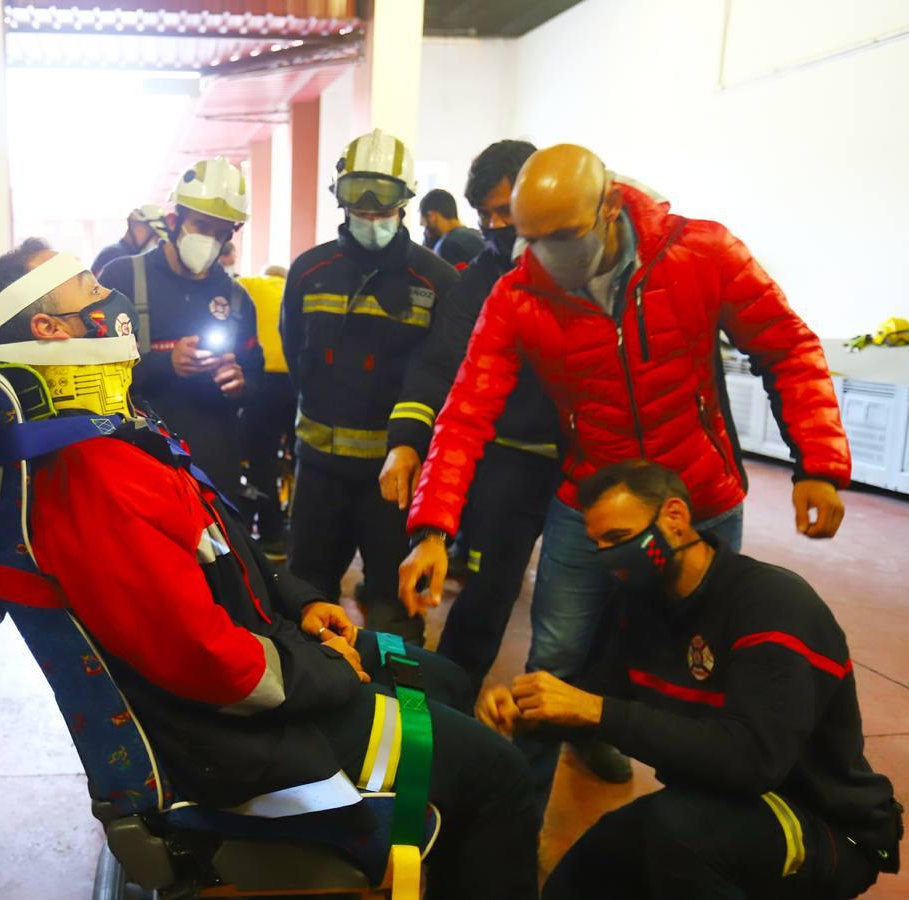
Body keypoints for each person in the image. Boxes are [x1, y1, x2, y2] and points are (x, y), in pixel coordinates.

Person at [0, 240, 541, 898]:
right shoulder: (91, 476)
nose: (108, 295)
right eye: (89, 286)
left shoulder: (112, 430)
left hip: (265, 665)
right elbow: (207, 662)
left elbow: (224, 542)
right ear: (49, 329)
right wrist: (326, 674)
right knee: (501, 776)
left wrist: (300, 604)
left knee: (445, 680)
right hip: (243, 735)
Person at [401, 143, 852, 801]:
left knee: (707, 671)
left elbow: (787, 345)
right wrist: (434, 530)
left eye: (562, 237)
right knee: (550, 663)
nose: (547, 255)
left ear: (610, 204)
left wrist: (818, 461)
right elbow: (466, 410)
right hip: (589, 503)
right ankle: (512, 834)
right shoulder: (517, 296)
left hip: (698, 501)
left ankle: (700, 824)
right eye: (532, 241)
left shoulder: (703, 254)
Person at [477, 460, 902, 899]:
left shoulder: (770, 605)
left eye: (620, 538)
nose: (609, 558)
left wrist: (594, 709)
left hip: (825, 823)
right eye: (598, 544)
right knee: (591, 865)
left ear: (675, 517)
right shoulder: (639, 604)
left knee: (676, 837)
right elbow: (598, 701)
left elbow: (755, 761)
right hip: (716, 803)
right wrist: (531, 714)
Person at [282, 129, 463, 644]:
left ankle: (401, 715)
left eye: (381, 198)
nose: (368, 210)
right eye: (357, 194)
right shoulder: (309, 271)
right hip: (318, 472)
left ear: (405, 198)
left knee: (394, 608)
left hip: (395, 481)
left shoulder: (436, 281)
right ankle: (317, 705)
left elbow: (440, 376)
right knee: (307, 598)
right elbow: (297, 355)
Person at [425, 141, 565, 691]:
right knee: (487, 591)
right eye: (485, 214)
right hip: (508, 460)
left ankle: (586, 724)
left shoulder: (592, 272)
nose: (495, 224)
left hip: (585, 461)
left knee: (579, 601)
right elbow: (448, 375)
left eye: (506, 210)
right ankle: (451, 702)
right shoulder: (484, 277)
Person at [98, 158, 264, 505]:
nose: (210, 240)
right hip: (138, 459)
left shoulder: (237, 299)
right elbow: (91, 369)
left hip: (213, 466)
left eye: (222, 233)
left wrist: (240, 382)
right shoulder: (121, 279)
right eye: (201, 225)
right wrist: (164, 363)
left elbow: (255, 376)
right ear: (174, 221)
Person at [239, 264, 295, 558]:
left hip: (263, 382)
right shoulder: (293, 286)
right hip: (299, 381)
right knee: (303, 461)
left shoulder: (252, 282)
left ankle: (272, 535)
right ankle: (300, 533)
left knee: (261, 459)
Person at [90, 203, 166, 276]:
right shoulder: (113, 255)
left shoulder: (137, 257)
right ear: (138, 227)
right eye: (154, 235)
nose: (156, 241)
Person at [418, 188, 483, 268]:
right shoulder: (477, 235)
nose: (421, 224)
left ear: (432, 216)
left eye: (423, 221)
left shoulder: (447, 245)